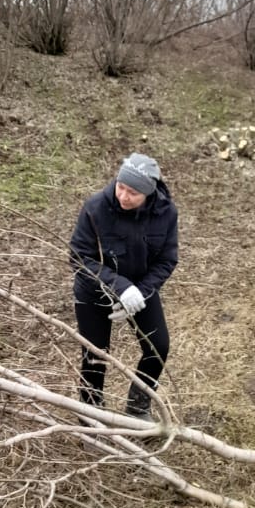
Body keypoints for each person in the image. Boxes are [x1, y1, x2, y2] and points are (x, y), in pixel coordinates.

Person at [69, 153, 178, 417]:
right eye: (121, 187)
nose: (123, 196)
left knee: (158, 347)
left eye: (133, 192)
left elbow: (167, 259)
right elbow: (79, 257)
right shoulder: (96, 207)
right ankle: (91, 414)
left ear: (148, 194)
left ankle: (138, 406)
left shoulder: (166, 213)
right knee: (95, 356)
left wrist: (139, 292)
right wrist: (120, 287)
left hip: (141, 289)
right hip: (94, 290)